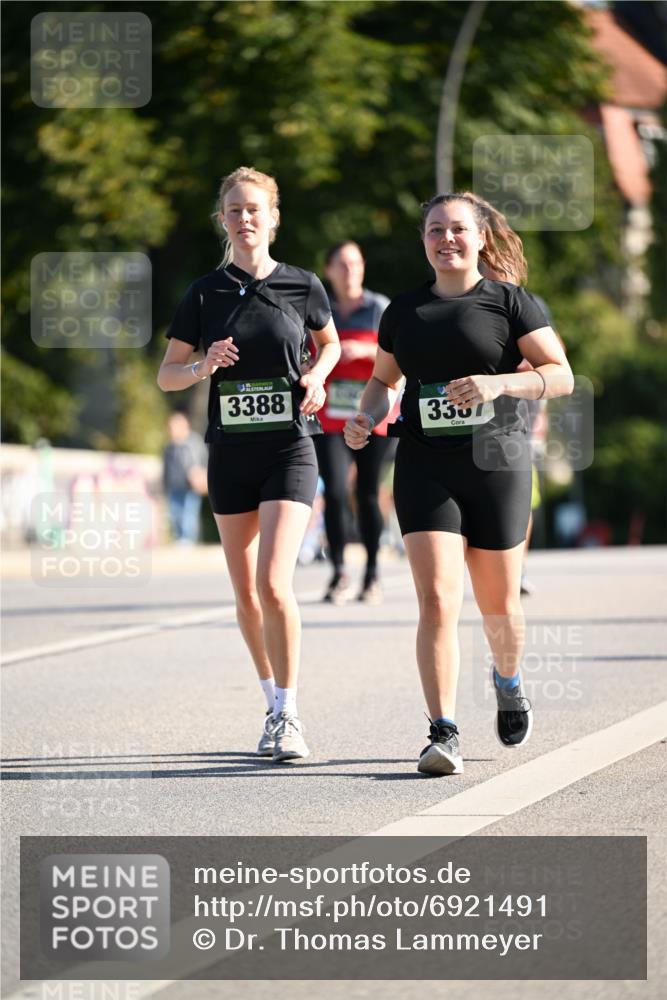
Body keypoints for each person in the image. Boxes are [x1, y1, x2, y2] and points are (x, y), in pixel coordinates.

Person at [344, 192, 573, 776]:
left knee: (498, 608)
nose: (446, 239)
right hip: (424, 465)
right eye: (435, 230)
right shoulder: (403, 311)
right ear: (424, 241)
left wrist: (499, 386)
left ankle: (508, 679)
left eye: (457, 229)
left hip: (497, 465)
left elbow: (561, 376)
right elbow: (382, 380)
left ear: (479, 238)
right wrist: (367, 415)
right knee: (438, 600)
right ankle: (442, 732)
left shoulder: (510, 302)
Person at [158, 166, 340, 762]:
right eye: (234, 210)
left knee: (272, 582)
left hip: (290, 446)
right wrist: (203, 366)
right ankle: (270, 699)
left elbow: (330, 342)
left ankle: (289, 714)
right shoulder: (204, 293)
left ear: (273, 216)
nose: (245, 218)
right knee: (245, 595)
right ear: (223, 220)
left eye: (254, 209)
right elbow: (167, 375)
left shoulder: (303, 285)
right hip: (229, 453)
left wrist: (315, 374)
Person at [315, 241, 399, 604]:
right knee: (333, 490)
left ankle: (372, 573)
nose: (351, 270)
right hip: (330, 415)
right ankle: (338, 572)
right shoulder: (320, 308)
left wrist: (364, 350)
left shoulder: (380, 307)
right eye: (343, 264)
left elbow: (400, 354)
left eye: (357, 264)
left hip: (373, 413)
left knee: (366, 493)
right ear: (329, 270)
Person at [162, 411, 208, 544]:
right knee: (175, 513)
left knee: (189, 513)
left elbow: (202, 460)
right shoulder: (170, 446)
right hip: (174, 484)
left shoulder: (193, 442)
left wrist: (200, 475)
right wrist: (164, 483)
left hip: (191, 485)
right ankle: (179, 537)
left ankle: (188, 539)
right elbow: (166, 467)